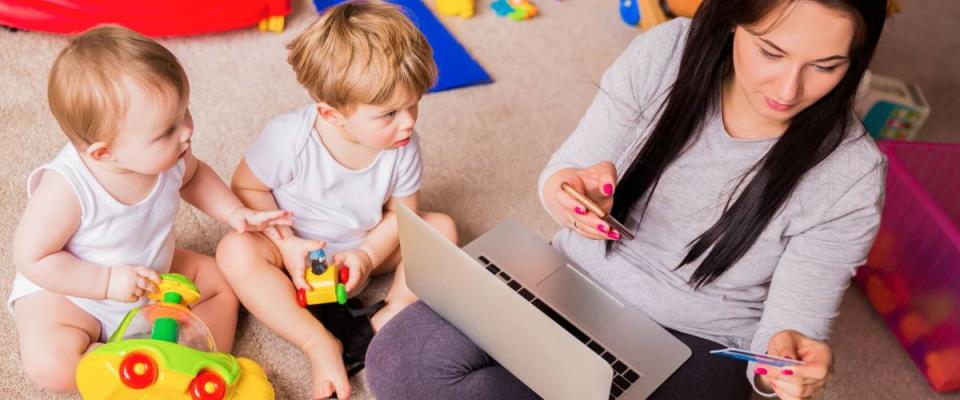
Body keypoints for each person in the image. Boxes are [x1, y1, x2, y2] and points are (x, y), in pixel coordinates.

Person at [365, 1, 888, 399]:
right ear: (733, 17)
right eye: (771, 51)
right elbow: (559, 179)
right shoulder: (666, 53)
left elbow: (783, 336)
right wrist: (571, 196)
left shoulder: (850, 174)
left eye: (826, 65)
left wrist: (785, 365)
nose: (789, 88)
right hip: (569, 277)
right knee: (398, 357)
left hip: (693, 339)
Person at [9, 25, 291, 393]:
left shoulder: (172, 154)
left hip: (153, 272)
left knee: (221, 282)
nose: (186, 133)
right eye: (166, 131)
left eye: (184, 114)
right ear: (103, 153)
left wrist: (235, 213)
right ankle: (115, 364)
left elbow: (193, 178)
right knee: (50, 364)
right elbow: (33, 258)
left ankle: (195, 361)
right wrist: (106, 282)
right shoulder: (67, 188)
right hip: (73, 294)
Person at [214, 1, 457, 399]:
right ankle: (316, 341)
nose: (409, 121)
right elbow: (246, 189)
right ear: (331, 115)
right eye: (390, 113)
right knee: (234, 252)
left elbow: (403, 217)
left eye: (414, 104)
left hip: (362, 244)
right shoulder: (289, 138)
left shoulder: (404, 144)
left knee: (441, 229)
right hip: (293, 249)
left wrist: (366, 257)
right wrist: (286, 242)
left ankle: (393, 314)